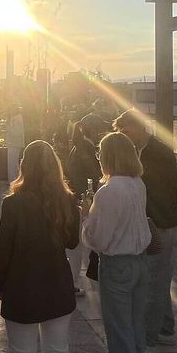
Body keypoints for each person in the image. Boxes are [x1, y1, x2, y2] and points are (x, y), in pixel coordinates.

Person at [0, 140, 80, 353]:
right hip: (57, 289)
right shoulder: (66, 200)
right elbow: (72, 242)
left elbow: (3, 253)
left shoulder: (13, 204)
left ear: (24, 166)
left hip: (24, 290)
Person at [82, 132, 152, 353]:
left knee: (120, 338)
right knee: (136, 334)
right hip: (139, 262)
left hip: (118, 267)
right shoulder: (138, 184)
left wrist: (86, 217)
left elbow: (99, 238)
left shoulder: (108, 191)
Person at [113, 110, 177, 350]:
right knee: (158, 281)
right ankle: (165, 327)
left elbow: (151, 190)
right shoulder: (140, 150)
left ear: (140, 127)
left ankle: (150, 341)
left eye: (126, 130)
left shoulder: (158, 153)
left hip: (161, 225)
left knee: (154, 284)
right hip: (153, 224)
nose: (124, 136)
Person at [65, 116, 107, 295]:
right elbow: (96, 174)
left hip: (75, 198)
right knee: (81, 245)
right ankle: (75, 282)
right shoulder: (86, 148)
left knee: (75, 246)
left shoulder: (78, 146)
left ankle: (73, 281)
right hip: (82, 200)